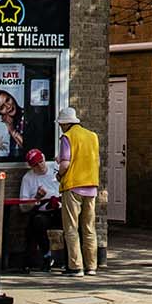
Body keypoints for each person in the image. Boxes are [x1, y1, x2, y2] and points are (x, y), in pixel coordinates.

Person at [56, 106, 101, 276]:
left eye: (61, 124)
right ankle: (92, 266)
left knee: (71, 228)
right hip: (91, 186)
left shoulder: (67, 137)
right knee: (89, 228)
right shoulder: (92, 137)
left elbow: (65, 163)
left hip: (73, 186)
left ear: (65, 124)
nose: (60, 127)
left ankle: (76, 266)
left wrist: (59, 174)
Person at [18, 149, 64, 272]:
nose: (40, 166)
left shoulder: (55, 167)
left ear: (44, 158)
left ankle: (71, 257)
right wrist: (36, 198)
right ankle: (46, 254)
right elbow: (23, 207)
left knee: (72, 221)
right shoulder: (28, 178)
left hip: (60, 208)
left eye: (41, 161)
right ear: (31, 166)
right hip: (42, 211)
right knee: (37, 222)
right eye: (36, 165)